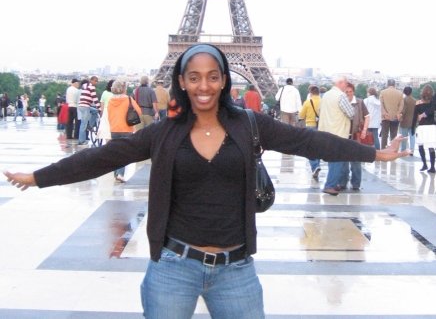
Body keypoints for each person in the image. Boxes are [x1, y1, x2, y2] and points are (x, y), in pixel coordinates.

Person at [4, 43, 409, 319]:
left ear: (224, 80)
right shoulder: (163, 132)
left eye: (213, 76)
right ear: (181, 81)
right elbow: (102, 158)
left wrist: (374, 153)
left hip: (236, 269)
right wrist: (39, 177)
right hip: (173, 267)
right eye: (194, 77)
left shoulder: (250, 124)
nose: (204, 86)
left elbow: (308, 141)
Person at [317, 76, 355, 195]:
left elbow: (319, 111)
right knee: (337, 160)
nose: (346, 86)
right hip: (338, 132)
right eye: (345, 83)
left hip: (325, 131)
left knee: (332, 161)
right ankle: (330, 185)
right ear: (340, 83)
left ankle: (334, 183)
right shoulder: (341, 96)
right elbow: (351, 113)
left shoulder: (326, 95)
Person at [107, 80, 141, 183]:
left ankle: (116, 173)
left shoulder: (110, 100)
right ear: (123, 89)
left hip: (114, 129)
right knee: (124, 153)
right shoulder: (128, 99)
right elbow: (139, 111)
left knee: (115, 152)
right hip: (126, 129)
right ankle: (120, 174)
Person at [338, 82, 370, 191]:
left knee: (356, 161)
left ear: (353, 92)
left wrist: (364, 130)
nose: (348, 94)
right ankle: (342, 182)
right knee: (343, 160)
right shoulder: (341, 102)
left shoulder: (359, 102)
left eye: (350, 91)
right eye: (346, 92)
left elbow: (367, 116)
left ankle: (356, 183)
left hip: (356, 134)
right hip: (343, 134)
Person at [299, 85, 321, 179]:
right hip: (321, 126)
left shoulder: (307, 102)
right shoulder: (323, 101)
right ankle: (317, 164)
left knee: (310, 148)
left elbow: (301, 115)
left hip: (310, 125)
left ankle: (315, 166)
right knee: (319, 146)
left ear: (311, 93)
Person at [412, 84, 436, 173]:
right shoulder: (432, 103)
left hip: (422, 127)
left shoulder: (418, 103)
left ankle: (424, 164)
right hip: (431, 127)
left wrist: (412, 128)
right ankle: (432, 167)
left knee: (420, 146)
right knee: (431, 147)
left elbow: (415, 117)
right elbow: (432, 111)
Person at [379, 79, 404, 148]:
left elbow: (381, 104)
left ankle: (383, 150)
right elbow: (401, 105)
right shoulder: (400, 93)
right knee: (393, 135)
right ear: (394, 84)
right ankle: (393, 150)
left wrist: (384, 113)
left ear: (387, 84)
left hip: (385, 117)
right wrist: (398, 113)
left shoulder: (382, 92)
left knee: (384, 135)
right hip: (395, 117)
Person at [77, 76, 100, 146]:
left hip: (82, 106)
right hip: (85, 106)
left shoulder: (85, 86)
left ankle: (89, 125)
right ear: (91, 80)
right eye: (95, 81)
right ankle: (81, 141)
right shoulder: (91, 87)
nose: (96, 83)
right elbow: (95, 98)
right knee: (83, 124)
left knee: (95, 111)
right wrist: (99, 108)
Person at [400, 86, 416, 155]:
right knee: (412, 136)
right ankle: (411, 150)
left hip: (405, 121)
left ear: (404, 92)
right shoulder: (414, 100)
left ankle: (403, 150)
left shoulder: (404, 100)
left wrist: (400, 117)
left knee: (404, 137)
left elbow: (403, 111)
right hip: (413, 121)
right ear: (411, 92)